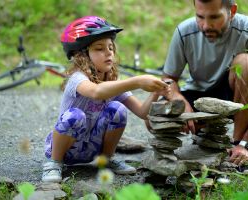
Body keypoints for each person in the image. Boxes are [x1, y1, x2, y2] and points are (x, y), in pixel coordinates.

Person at [42, 16, 171, 183]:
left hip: (91, 150)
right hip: (67, 150)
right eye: (99, 48)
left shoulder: (112, 85)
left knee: (117, 108)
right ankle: (54, 163)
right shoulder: (77, 78)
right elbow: (96, 92)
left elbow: (143, 112)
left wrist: (156, 92)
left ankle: (107, 159)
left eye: (111, 47)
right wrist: (138, 81)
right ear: (83, 55)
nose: (108, 52)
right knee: (75, 115)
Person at [162, 0, 248, 167]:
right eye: (200, 17)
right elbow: (168, 79)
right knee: (155, 109)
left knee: (247, 63)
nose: (206, 25)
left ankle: (237, 147)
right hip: (197, 98)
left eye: (215, 17)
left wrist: (246, 143)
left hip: (233, 99)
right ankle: (203, 134)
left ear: (232, 11)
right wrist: (178, 99)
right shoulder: (184, 31)